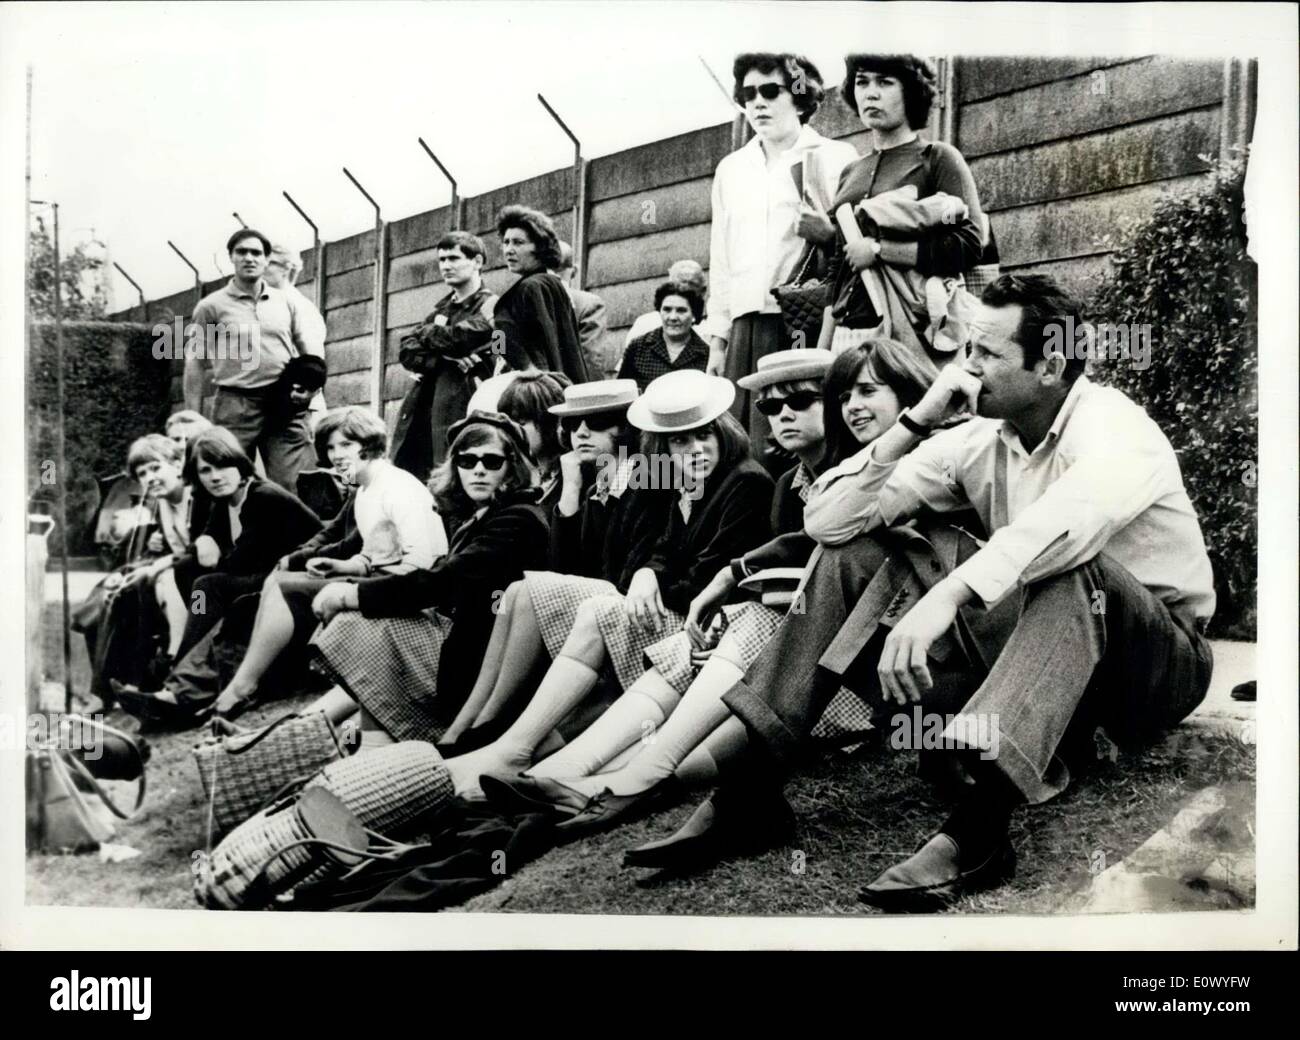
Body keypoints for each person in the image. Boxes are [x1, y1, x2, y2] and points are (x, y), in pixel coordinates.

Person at [627, 275, 1216, 912]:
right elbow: (830, 521)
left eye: (987, 354)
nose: (968, 367)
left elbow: (1066, 529)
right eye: (967, 348)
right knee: (855, 550)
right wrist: (916, 420)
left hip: (1151, 665)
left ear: (1051, 364)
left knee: (1075, 567)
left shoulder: (1115, 426)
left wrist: (946, 598)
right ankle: (750, 791)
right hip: (1043, 653)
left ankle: (982, 828)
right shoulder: (980, 435)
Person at [492, 342, 940, 828]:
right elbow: (647, 554)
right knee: (702, 643)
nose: (784, 414)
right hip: (800, 653)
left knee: (736, 629)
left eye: (801, 401)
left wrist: (731, 576)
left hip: (868, 664)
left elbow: (817, 556)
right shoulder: (783, 479)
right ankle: (572, 774)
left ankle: (625, 776)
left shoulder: (851, 471)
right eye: (770, 406)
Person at [444, 370, 774, 799]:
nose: (692, 450)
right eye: (678, 441)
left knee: (561, 600)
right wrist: (646, 571)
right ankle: (496, 736)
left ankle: (504, 740)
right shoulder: (677, 481)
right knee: (531, 590)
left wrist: (647, 577)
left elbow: (700, 572)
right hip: (649, 605)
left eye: (703, 436)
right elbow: (646, 554)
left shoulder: (712, 480)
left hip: (704, 624)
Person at [302, 412, 550, 744]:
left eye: (491, 461)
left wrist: (349, 594)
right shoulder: (482, 516)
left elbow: (441, 582)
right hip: (460, 647)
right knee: (368, 629)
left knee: (361, 621)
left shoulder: (518, 519)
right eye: (467, 460)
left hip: (480, 669)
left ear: (512, 467)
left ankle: (343, 741)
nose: (478, 469)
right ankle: (324, 734)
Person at [436, 378, 655, 752]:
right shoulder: (594, 483)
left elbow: (616, 569)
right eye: (571, 425)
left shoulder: (647, 477)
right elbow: (561, 568)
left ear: (626, 428)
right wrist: (570, 494)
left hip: (630, 609)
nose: (580, 433)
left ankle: (485, 723)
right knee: (519, 590)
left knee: (525, 589)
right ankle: (472, 722)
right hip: (591, 603)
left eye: (596, 422)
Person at [210, 407, 448, 719]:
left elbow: (422, 563)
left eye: (346, 445)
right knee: (280, 580)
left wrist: (356, 581)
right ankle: (249, 683)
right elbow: (379, 552)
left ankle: (244, 687)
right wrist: (341, 567)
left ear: (371, 444)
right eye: (331, 447)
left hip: (411, 591)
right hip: (383, 577)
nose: (336, 454)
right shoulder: (365, 489)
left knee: (286, 588)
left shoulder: (398, 488)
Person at [110, 426, 322, 726]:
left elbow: (240, 560)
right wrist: (207, 540)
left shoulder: (262, 497)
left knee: (209, 589)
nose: (215, 476)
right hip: (257, 578)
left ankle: (180, 689)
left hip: (296, 581)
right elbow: (209, 544)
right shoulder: (225, 501)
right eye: (206, 470)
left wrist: (208, 547)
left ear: (239, 463)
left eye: (223, 466)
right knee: (200, 587)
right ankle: (176, 684)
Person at [702, 53, 858, 449]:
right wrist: (718, 342)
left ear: (801, 96)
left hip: (803, 322)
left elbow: (855, 249)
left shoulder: (836, 157)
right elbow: (721, 258)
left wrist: (827, 233)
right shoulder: (731, 169)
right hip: (744, 327)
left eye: (771, 91)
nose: (758, 102)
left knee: (802, 439)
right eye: (748, 94)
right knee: (744, 443)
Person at [814, 54, 985, 362]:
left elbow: (971, 245)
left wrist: (880, 250)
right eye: (862, 82)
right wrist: (821, 352)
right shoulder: (849, 172)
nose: (871, 93)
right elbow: (839, 268)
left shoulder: (938, 158)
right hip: (848, 335)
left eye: (885, 82)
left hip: (916, 330)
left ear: (911, 91)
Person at [183, 229, 325, 491]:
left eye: (256, 252)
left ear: (266, 259)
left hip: (283, 404)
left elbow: (310, 353)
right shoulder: (211, 307)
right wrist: (193, 417)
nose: (249, 258)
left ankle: (296, 534)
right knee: (228, 483)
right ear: (231, 257)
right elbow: (195, 362)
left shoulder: (285, 303)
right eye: (242, 252)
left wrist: (311, 390)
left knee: (295, 485)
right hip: (234, 406)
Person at [390, 232, 498, 479]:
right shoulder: (440, 309)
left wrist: (427, 335)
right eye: (442, 260)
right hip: (423, 410)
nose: (446, 266)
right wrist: (443, 358)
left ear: (477, 262)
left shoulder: (494, 306)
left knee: (453, 475)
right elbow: (407, 350)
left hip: (462, 406)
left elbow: (475, 340)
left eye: (454, 258)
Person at [491, 206, 589, 382]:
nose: (509, 250)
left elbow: (504, 342)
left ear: (539, 247)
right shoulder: (548, 283)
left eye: (518, 242)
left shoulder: (532, 287)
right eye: (506, 242)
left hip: (534, 389)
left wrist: (526, 367)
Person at [264, 243, 329, 427]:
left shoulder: (299, 307)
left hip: (297, 409)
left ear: (287, 269)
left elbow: (313, 362)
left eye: (269, 263)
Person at [495, 370, 570, 509]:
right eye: (508, 422)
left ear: (549, 422)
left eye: (521, 422)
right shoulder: (507, 478)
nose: (512, 430)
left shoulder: (577, 474)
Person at [617, 281, 710, 392]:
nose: (673, 317)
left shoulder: (705, 354)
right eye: (667, 309)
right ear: (659, 311)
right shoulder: (637, 348)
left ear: (694, 314)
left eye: (681, 310)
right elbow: (622, 394)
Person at [620, 259, 708, 371]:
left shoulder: (710, 333)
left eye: (691, 284)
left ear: (703, 290)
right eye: (677, 283)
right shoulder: (644, 324)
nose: (683, 289)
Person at [552, 240, 608, 380]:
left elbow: (499, 352)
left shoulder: (511, 303)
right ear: (574, 271)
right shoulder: (588, 304)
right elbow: (591, 362)